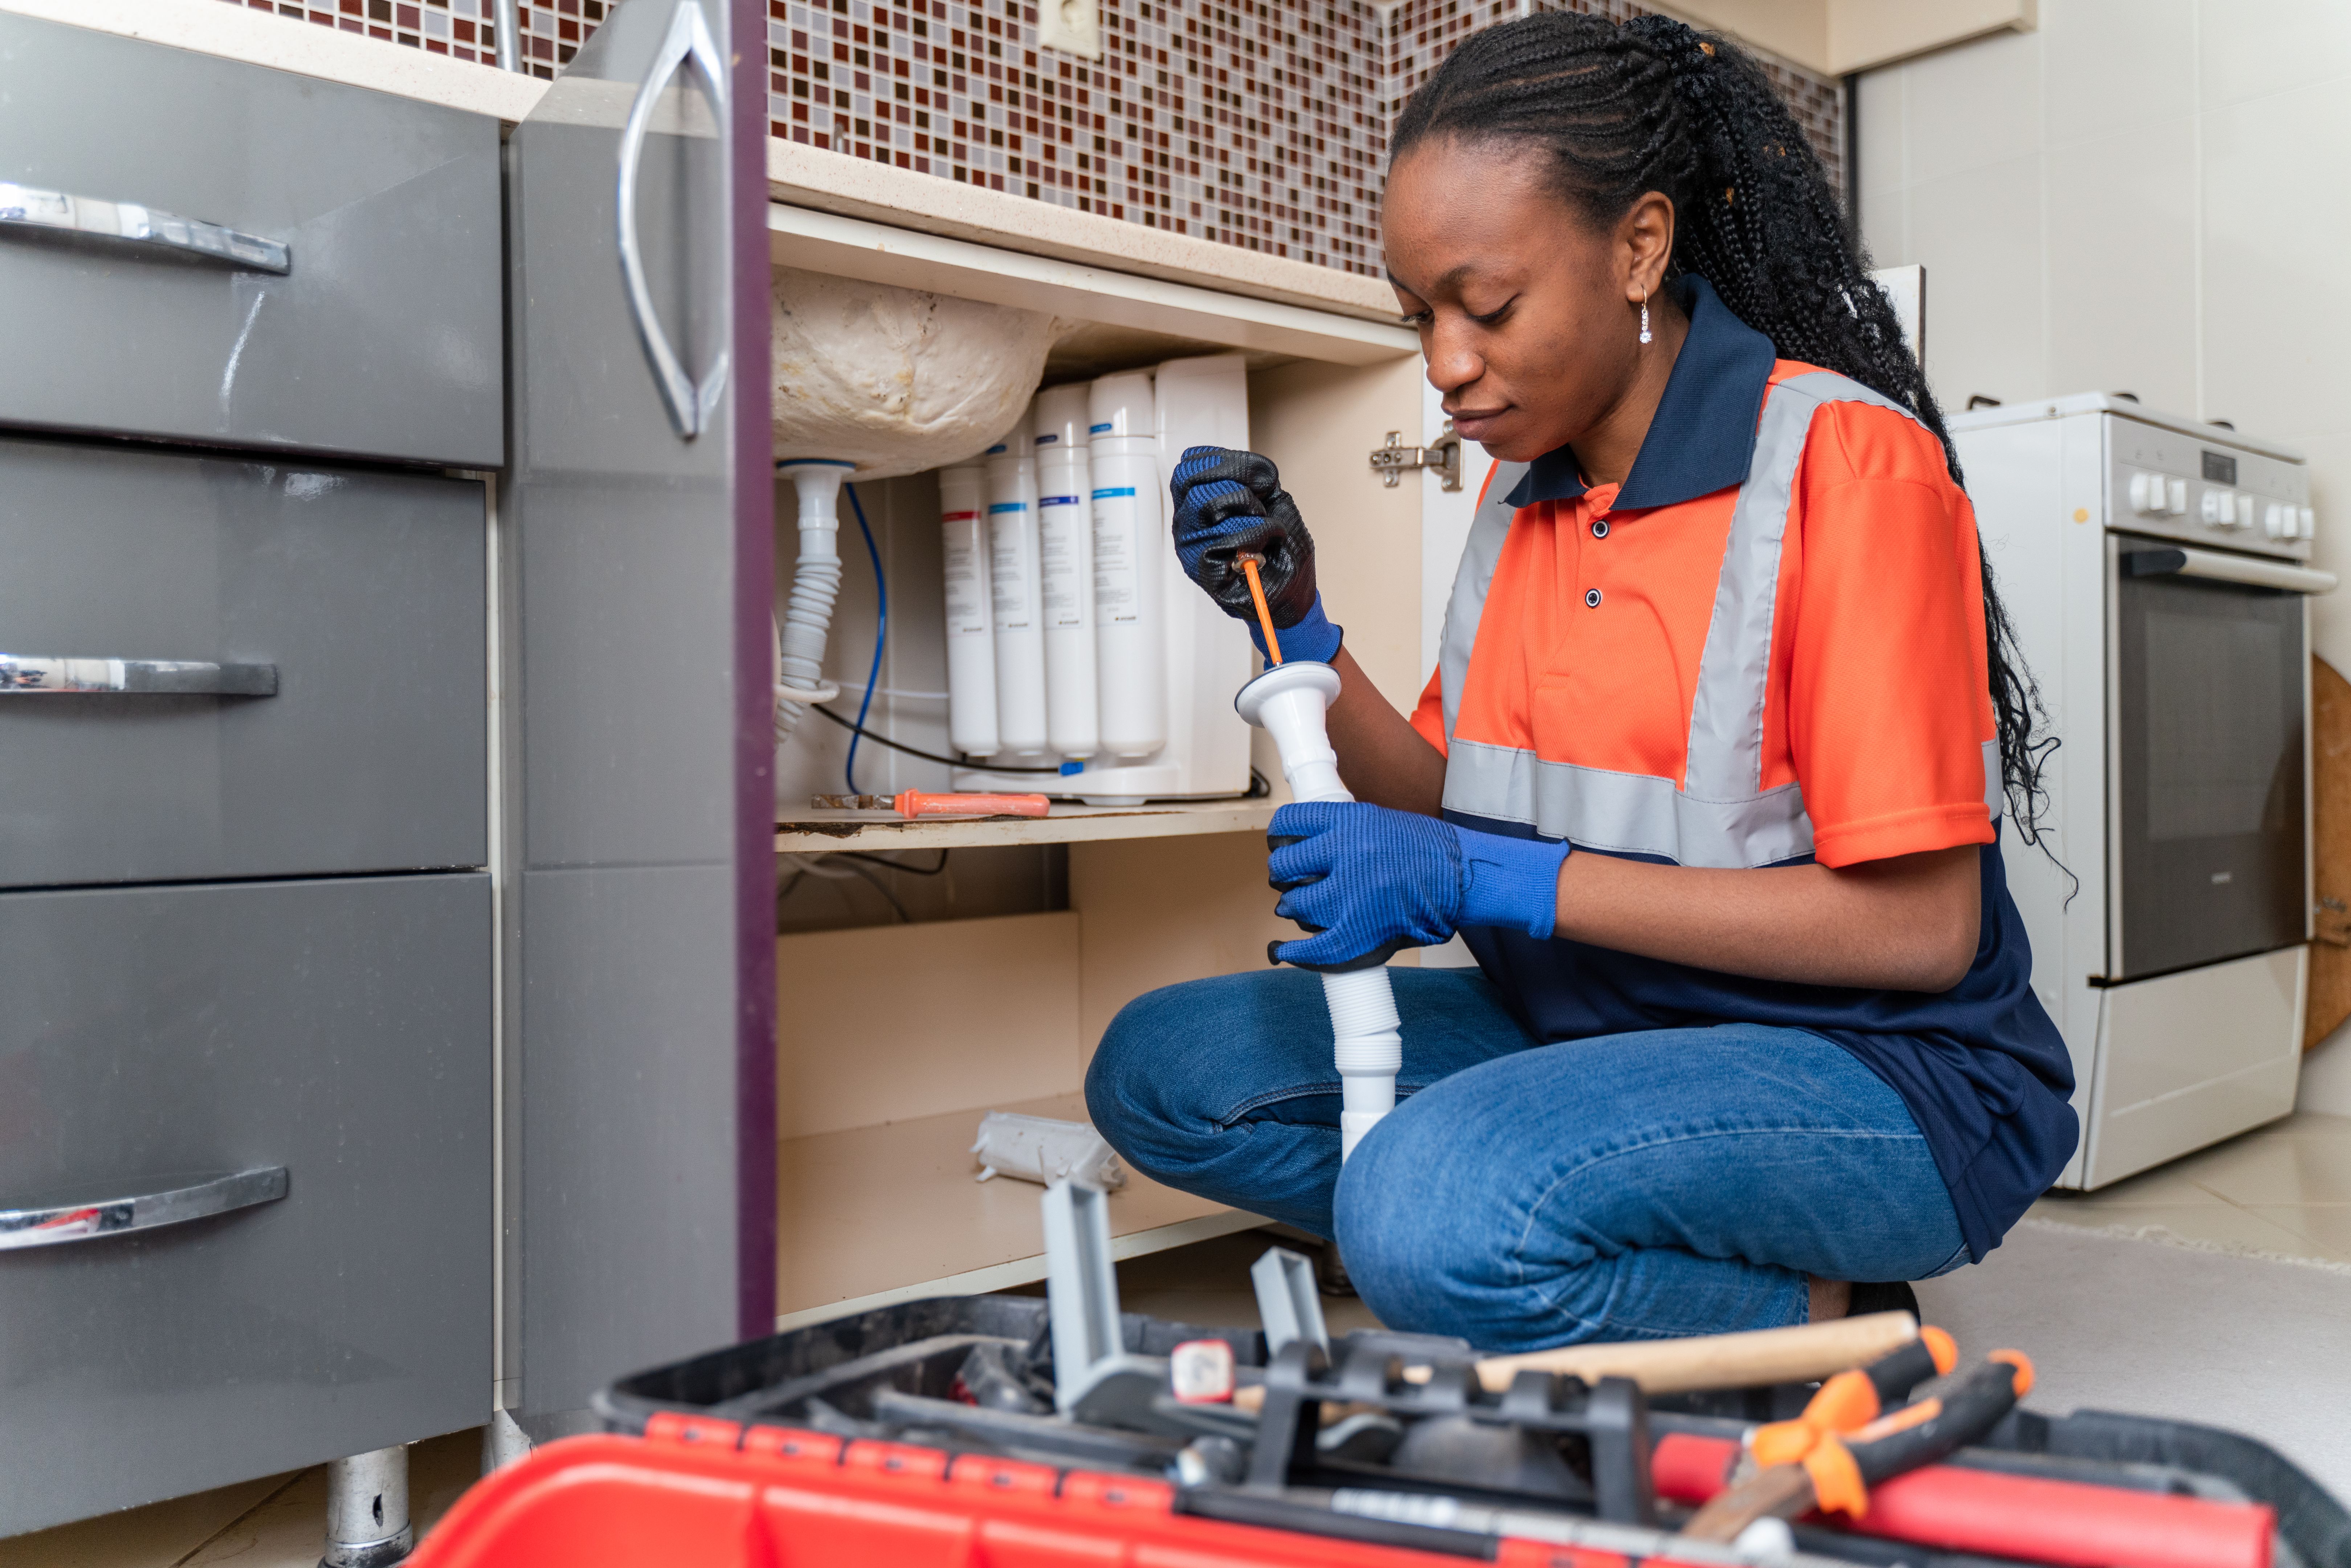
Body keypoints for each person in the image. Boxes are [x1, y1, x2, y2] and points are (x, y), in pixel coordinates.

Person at [1083, 10, 2078, 1349]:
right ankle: (1593, 1206)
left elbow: (1917, 933)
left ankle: (1828, 1316)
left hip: (1877, 1069)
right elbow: (1455, 794)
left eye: (1486, 307)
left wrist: (1489, 884)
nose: (1443, 362)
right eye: (1418, 315)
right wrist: (1298, 626)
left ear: (1638, 250)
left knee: (1424, 1218)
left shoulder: (1845, 466)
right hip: (1587, 1030)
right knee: (1165, 1074)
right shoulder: (1525, 488)